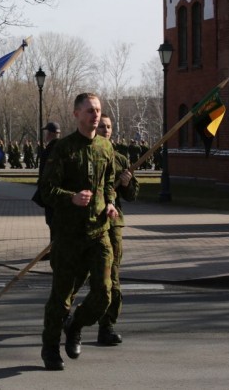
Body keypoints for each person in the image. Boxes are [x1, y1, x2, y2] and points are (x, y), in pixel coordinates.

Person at [39, 92, 118, 371]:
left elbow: (109, 182)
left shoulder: (105, 147)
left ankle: (75, 326)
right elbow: (46, 190)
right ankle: (50, 347)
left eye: (97, 110)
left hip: (99, 232)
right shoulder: (63, 148)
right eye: (89, 111)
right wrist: (71, 197)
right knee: (62, 297)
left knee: (104, 294)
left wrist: (110, 202)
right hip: (69, 235)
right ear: (76, 114)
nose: (95, 115)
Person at [94, 113, 139, 345]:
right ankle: (68, 318)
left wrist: (127, 183)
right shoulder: (85, 154)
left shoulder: (120, 159)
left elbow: (132, 196)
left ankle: (107, 325)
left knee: (111, 277)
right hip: (87, 222)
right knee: (77, 276)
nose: (106, 130)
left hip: (112, 224)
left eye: (109, 127)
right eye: (102, 126)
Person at [33, 122, 61, 243]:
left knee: (52, 222)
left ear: (50, 134)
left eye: (46, 133)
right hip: (59, 192)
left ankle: (54, 248)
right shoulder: (63, 147)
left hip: (50, 192)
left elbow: (45, 172)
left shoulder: (50, 149)